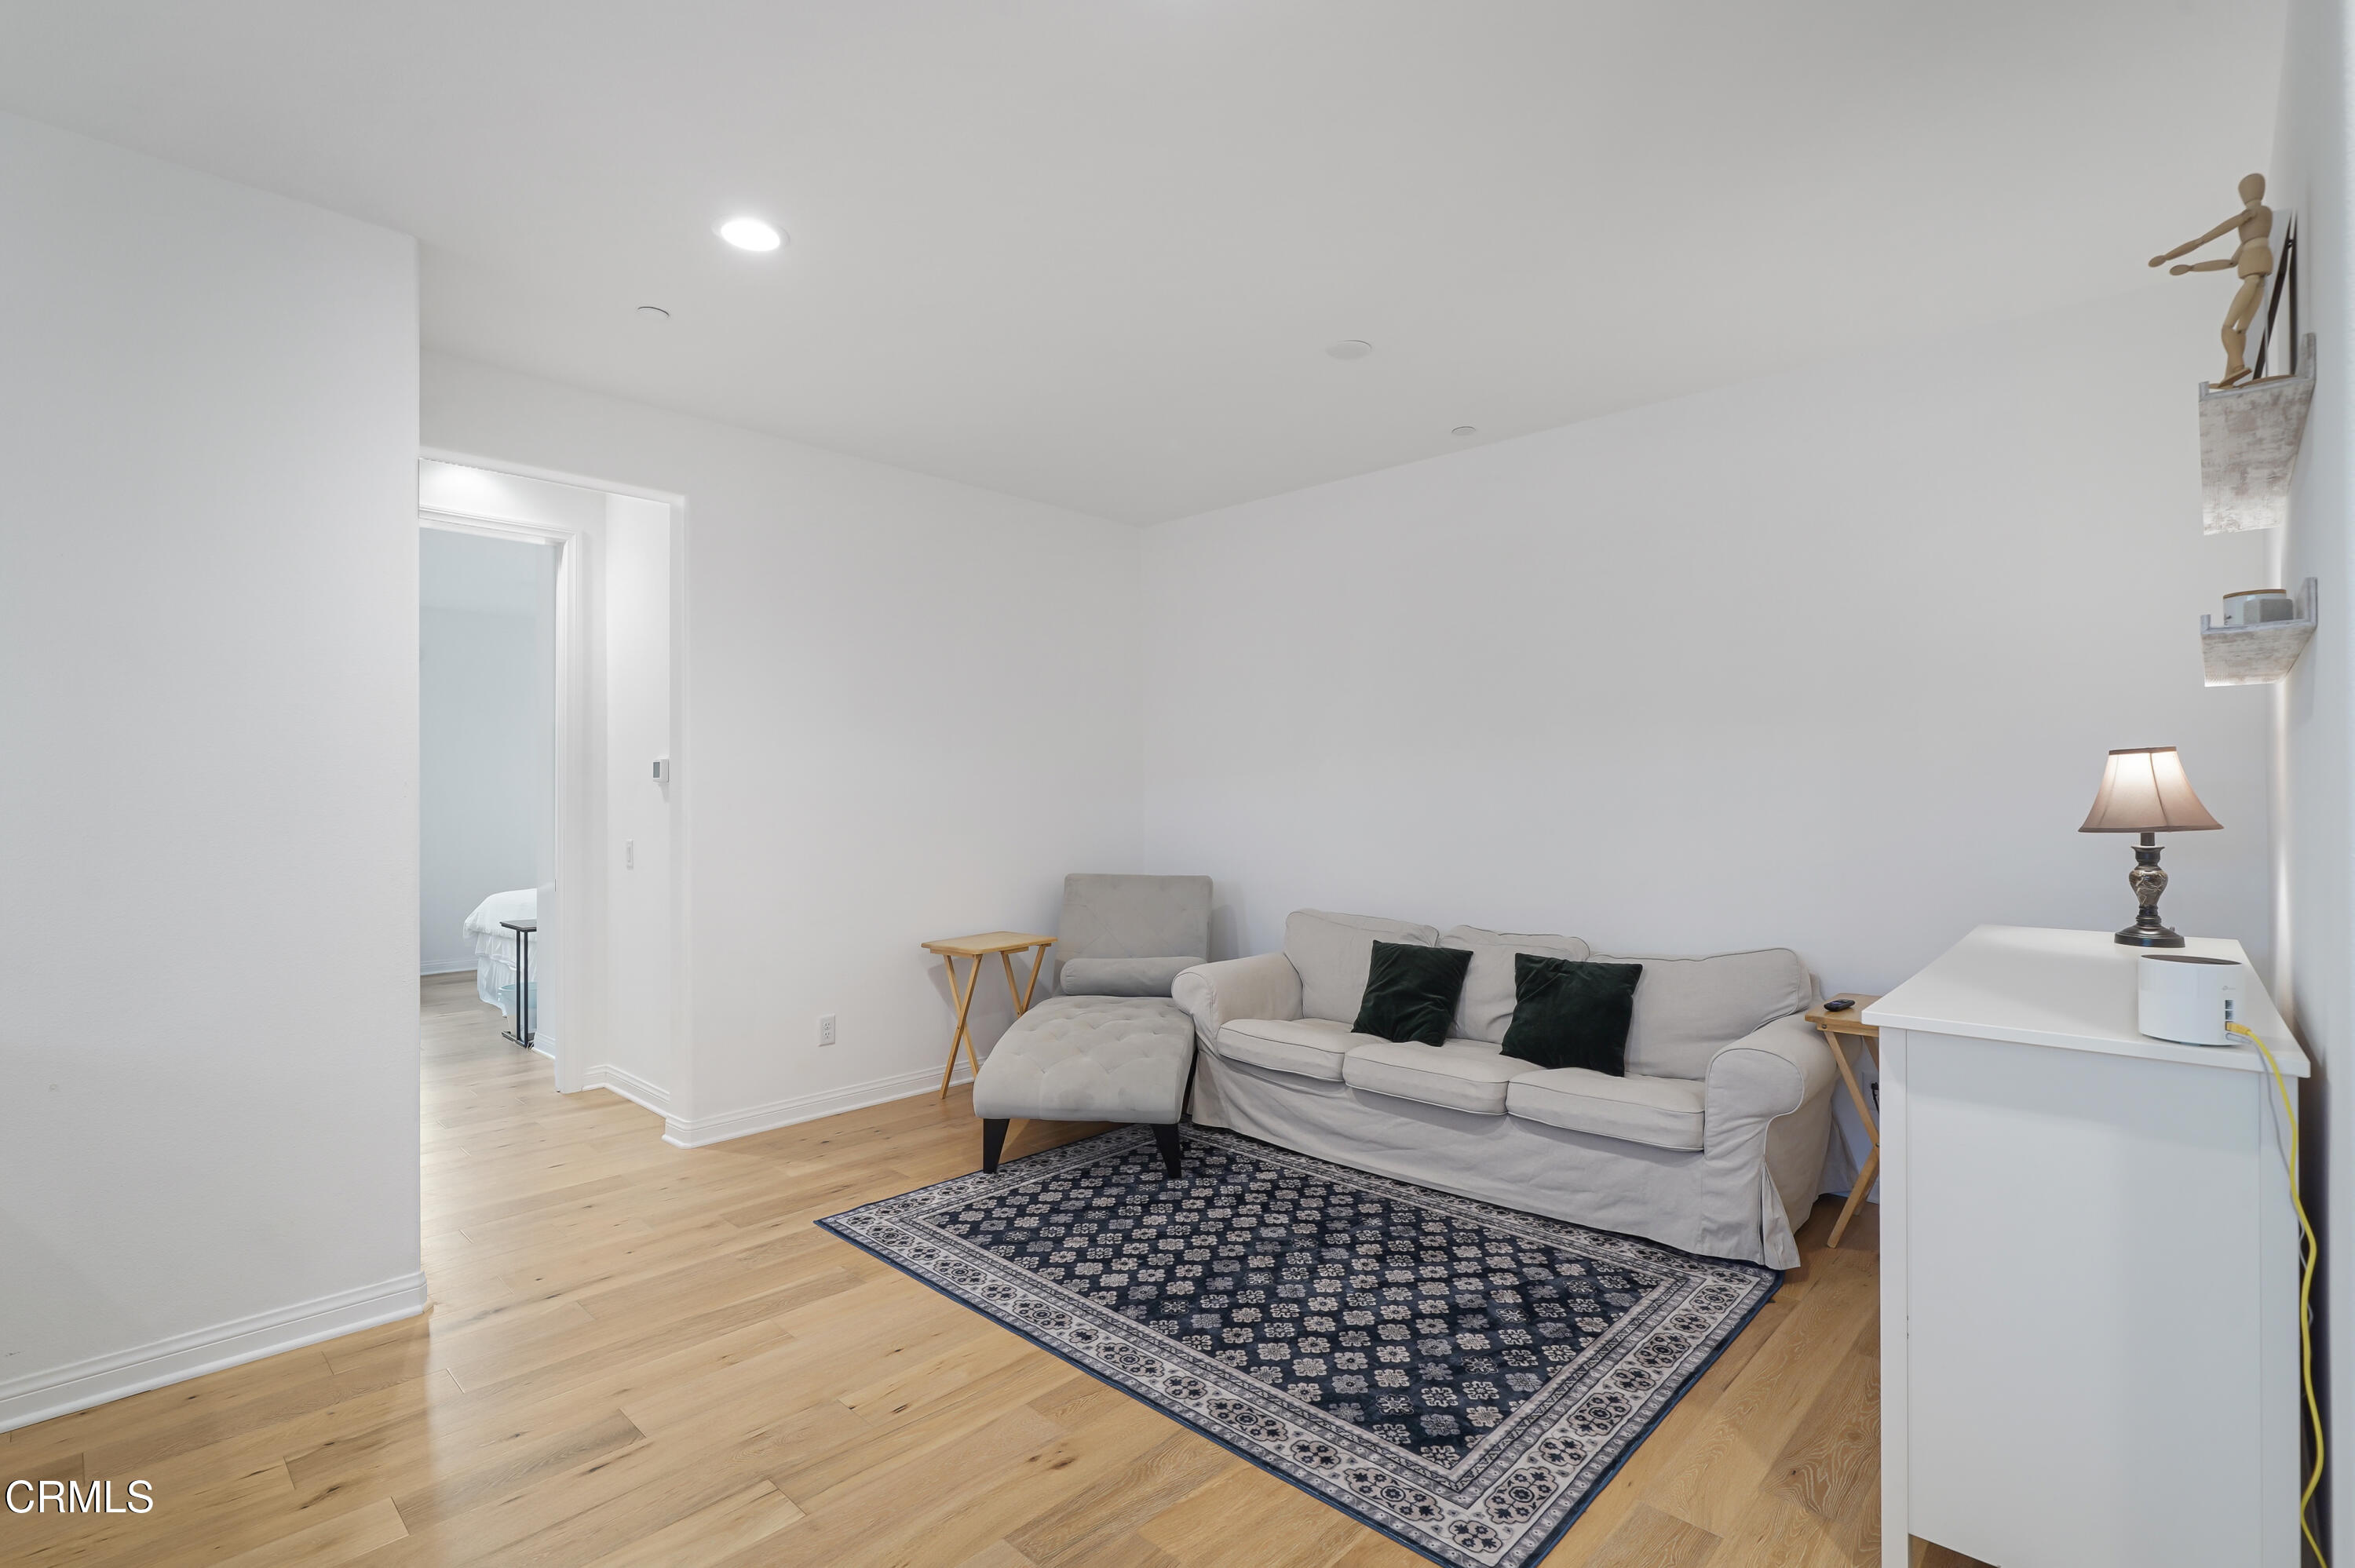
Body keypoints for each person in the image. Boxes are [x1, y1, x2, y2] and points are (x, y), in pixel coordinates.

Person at [2150, 173, 2275, 388]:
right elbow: (2231, 262)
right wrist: (2193, 268)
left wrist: (2168, 256)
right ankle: (2230, 379)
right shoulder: (2262, 221)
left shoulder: (2250, 215)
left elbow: (2203, 240)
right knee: (2241, 330)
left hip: (2251, 272)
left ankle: (2238, 367)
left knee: (2227, 327)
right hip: (2262, 270)